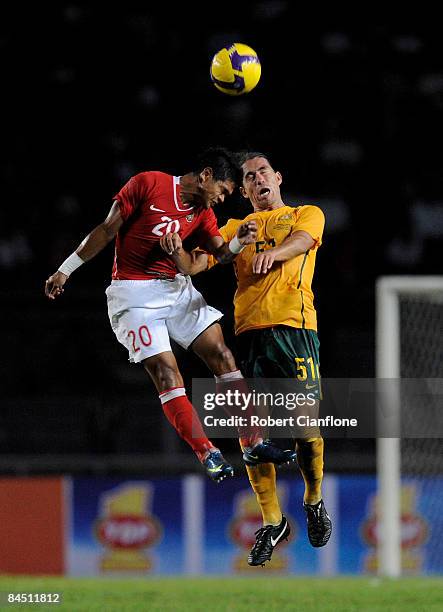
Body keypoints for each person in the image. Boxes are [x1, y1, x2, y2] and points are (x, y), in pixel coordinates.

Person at [44, 147, 296, 483]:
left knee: (221, 353)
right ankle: (208, 452)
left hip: (175, 288)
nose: (222, 200)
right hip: (132, 296)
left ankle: (253, 441)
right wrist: (66, 270)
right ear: (206, 176)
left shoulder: (203, 214)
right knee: (166, 372)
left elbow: (220, 254)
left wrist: (238, 242)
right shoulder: (148, 184)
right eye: (221, 191)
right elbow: (106, 230)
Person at [163, 151, 332, 564]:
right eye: (249, 178)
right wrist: (178, 258)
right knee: (251, 437)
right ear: (242, 191)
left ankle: (313, 500)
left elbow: (303, 242)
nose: (258, 181)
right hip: (250, 338)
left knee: (306, 430)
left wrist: (273, 254)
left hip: (295, 330)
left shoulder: (306, 214)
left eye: (263, 173)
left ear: (277, 177)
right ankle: (272, 521)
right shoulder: (237, 228)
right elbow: (205, 260)